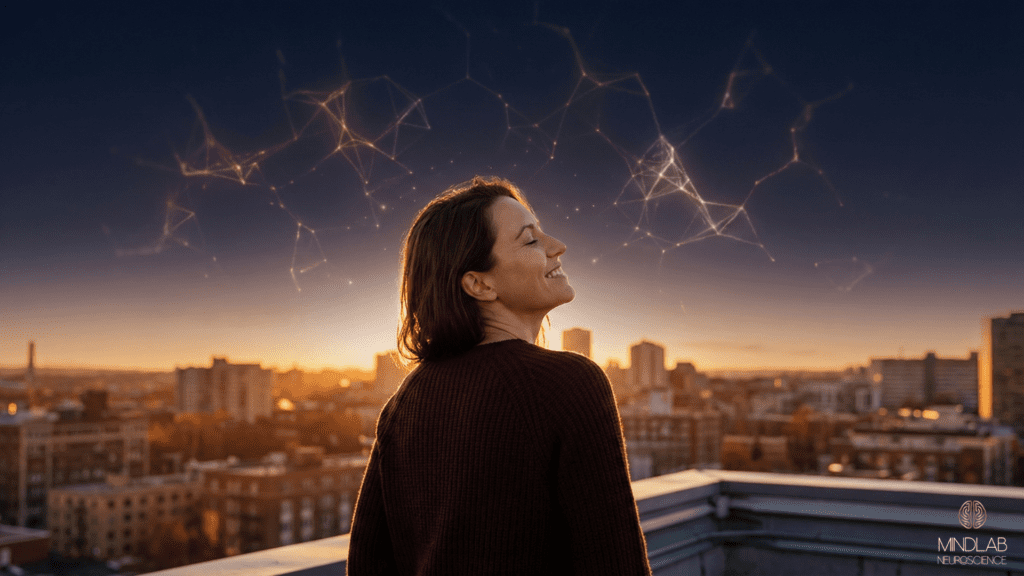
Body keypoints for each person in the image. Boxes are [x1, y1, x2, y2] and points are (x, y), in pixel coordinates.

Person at [347, 176, 651, 575]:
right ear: (479, 283)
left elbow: (368, 564)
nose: (557, 246)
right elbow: (616, 564)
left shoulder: (405, 401)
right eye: (530, 240)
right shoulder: (569, 384)